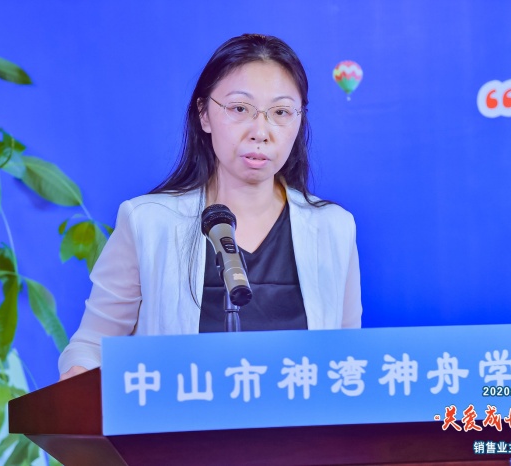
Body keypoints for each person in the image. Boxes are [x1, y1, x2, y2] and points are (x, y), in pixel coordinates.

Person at [59, 34, 362, 381]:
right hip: (180, 416)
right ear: (204, 114)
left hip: (302, 417)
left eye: (280, 112)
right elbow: (92, 346)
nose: (260, 131)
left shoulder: (334, 228)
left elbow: (348, 357)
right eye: (239, 109)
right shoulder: (148, 223)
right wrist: (79, 379)